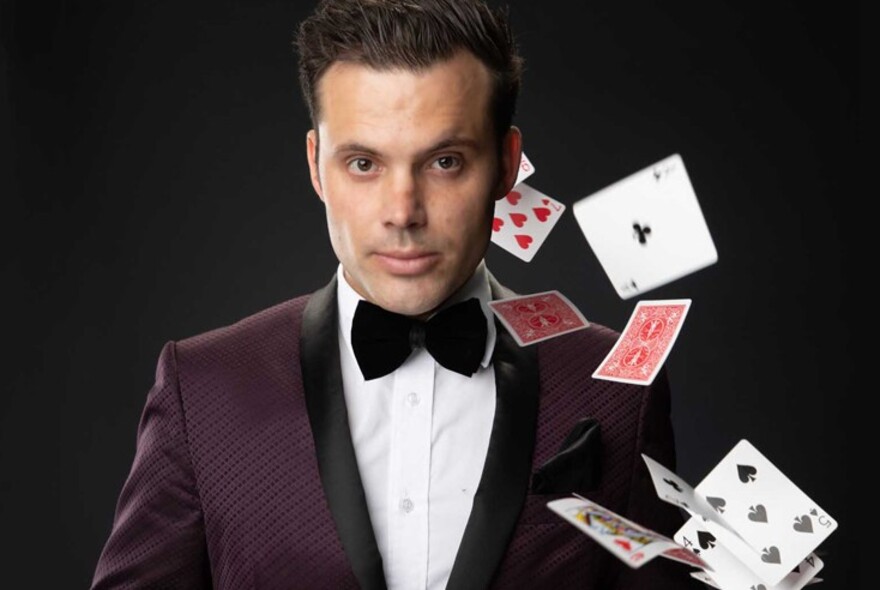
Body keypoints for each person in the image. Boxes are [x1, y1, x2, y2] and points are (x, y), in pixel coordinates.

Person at [91, 1, 699, 588]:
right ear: (316, 166)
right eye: (364, 164)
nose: (402, 212)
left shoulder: (616, 387)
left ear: (506, 165)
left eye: (445, 162)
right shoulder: (201, 388)